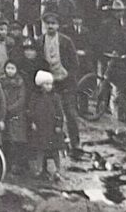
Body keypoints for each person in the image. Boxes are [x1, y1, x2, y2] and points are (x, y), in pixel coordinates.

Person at [38, 12, 81, 154]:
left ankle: (76, 144)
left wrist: (69, 76)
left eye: (53, 23)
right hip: (49, 83)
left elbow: (75, 63)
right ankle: (53, 144)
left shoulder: (66, 41)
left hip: (66, 82)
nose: (50, 26)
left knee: (70, 113)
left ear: (58, 25)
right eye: (48, 23)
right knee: (51, 113)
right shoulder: (40, 41)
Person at [27, 70, 65, 181]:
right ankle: (39, 169)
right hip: (41, 127)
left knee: (55, 150)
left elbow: (59, 112)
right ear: (41, 84)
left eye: (50, 84)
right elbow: (31, 110)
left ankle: (58, 170)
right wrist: (32, 122)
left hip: (52, 128)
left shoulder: (55, 97)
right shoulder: (35, 96)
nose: (49, 86)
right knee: (40, 150)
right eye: (46, 84)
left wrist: (59, 125)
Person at [0, 60, 28, 174]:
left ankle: (17, 166)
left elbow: (21, 99)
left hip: (17, 114)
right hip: (3, 114)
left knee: (17, 141)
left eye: (12, 68)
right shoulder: (1, 81)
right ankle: (5, 164)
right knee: (5, 140)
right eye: (8, 68)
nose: (10, 71)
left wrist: (11, 108)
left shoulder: (20, 82)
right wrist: (3, 108)